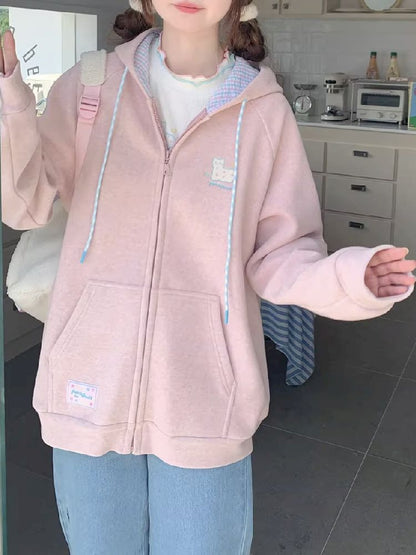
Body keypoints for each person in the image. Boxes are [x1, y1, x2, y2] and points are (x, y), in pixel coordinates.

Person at [0, 1, 415, 553]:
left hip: (204, 401)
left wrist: (348, 277)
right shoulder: (90, 85)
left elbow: (281, 253)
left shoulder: (263, 111)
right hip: (88, 387)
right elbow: (25, 204)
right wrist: (9, 99)